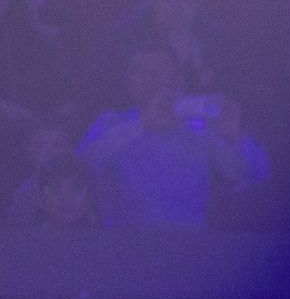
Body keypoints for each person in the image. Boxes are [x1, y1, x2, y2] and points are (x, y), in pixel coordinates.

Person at [80, 46, 270, 228]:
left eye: (160, 70)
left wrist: (235, 136)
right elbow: (79, 170)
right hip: (122, 247)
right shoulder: (110, 122)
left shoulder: (200, 128)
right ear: (129, 82)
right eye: (140, 70)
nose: (150, 79)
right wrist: (141, 125)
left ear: (178, 79)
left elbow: (256, 174)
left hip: (189, 248)